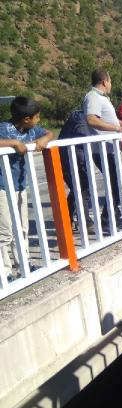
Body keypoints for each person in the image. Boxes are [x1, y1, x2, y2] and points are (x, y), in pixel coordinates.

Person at [83, 68, 122, 231]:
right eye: (110, 81)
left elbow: (114, 121)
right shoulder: (93, 97)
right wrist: (118, 130)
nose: (111, 84)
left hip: (109, 149)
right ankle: (108, 219)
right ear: (104, 81)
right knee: (116, 185)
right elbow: (91, 119)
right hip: (102, 149)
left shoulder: (102, 98)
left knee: (117, 184)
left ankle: (112, 218)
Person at [0, 97, 54, 280]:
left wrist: (45, 139)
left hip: (20, 186)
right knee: (5, 232)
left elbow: (48, 133)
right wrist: (14, 143)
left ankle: (24, 263)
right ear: (26, 119)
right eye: (37, 117)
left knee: (22, 228)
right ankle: (5, 272)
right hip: (2, 188)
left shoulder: (31, 130)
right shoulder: (4, 128)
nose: (38, 120)